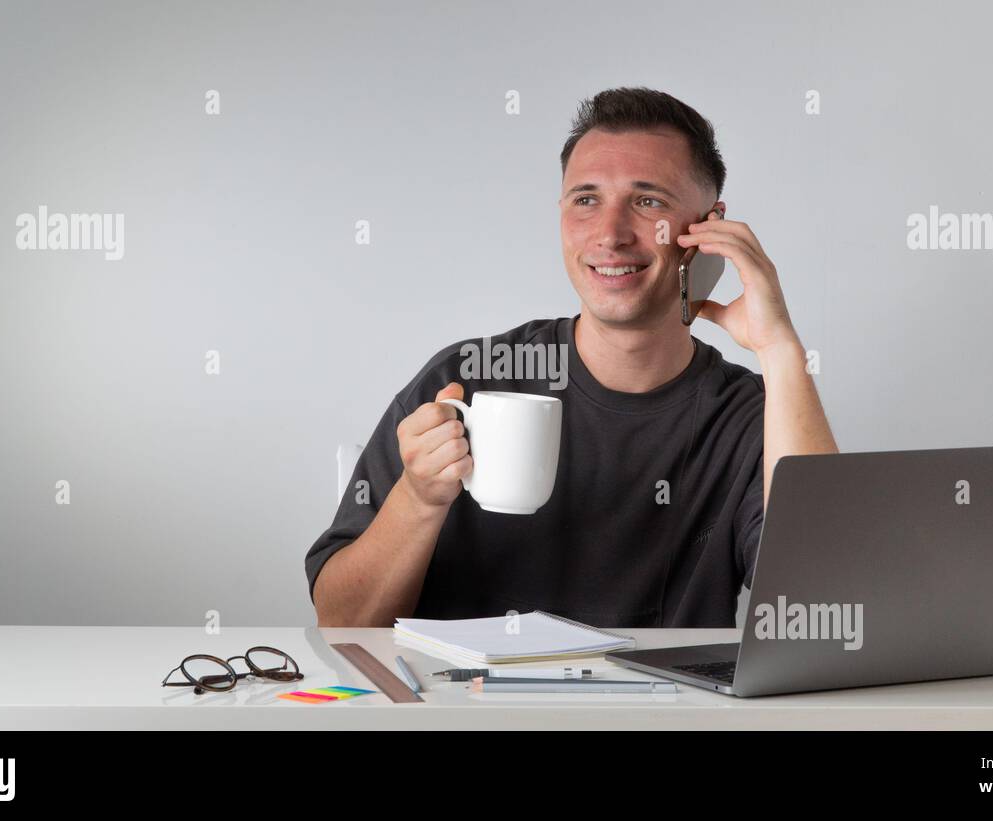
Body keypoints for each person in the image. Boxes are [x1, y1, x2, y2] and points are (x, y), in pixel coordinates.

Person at [307, 87, 838, 627]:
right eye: (586, 199)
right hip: (466, 710)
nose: (609, 234)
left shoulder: (754, 415)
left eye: (648, 201)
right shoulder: (462, 382)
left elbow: (821, 609)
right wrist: (418, 499)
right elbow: (341, 624)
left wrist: (782, 352)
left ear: (710, 228)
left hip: (667, 715)